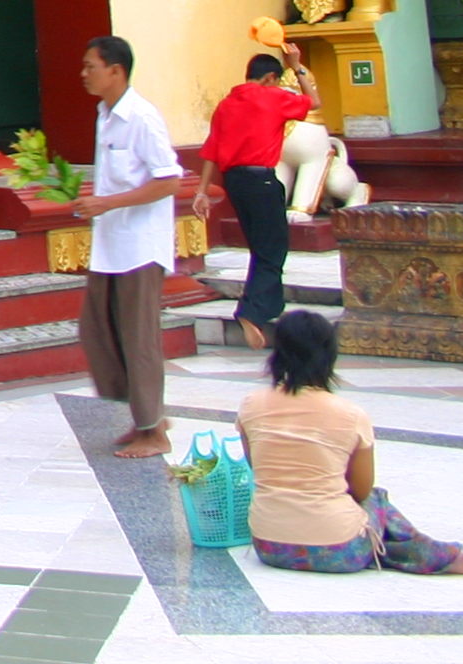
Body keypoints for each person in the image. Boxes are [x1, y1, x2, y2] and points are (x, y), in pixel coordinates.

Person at [238, 309, 463, 574]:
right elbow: (360, 490)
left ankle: (427, 554)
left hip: (269, 547)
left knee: (357, 517)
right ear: (329, 355)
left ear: (277, 353)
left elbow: (258, 466)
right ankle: (439, 555)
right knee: (376, 502)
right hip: (342, 552)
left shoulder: (251, 406)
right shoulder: (349, 415)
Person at [72, 34, 184, 459]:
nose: (84, 74)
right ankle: (142, 413)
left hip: (139, 245)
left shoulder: (142, 117)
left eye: (91, 66)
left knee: (138, 338)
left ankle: (153, 431)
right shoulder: (105, 115)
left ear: (115, 70)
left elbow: (169, 179)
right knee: (97, 329)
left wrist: (108, 202)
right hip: (110, 243)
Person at [192, 42, 317, 348]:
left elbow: (210, 150)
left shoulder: (225, 104)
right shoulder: (273, 97)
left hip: (233, 182)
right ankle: (251, 312)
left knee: (260, 247)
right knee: (272, 250)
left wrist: (201, 192)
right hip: (261, 181)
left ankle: (268, 307)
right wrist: (297, 66)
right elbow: (313, 102)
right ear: (271, 78)